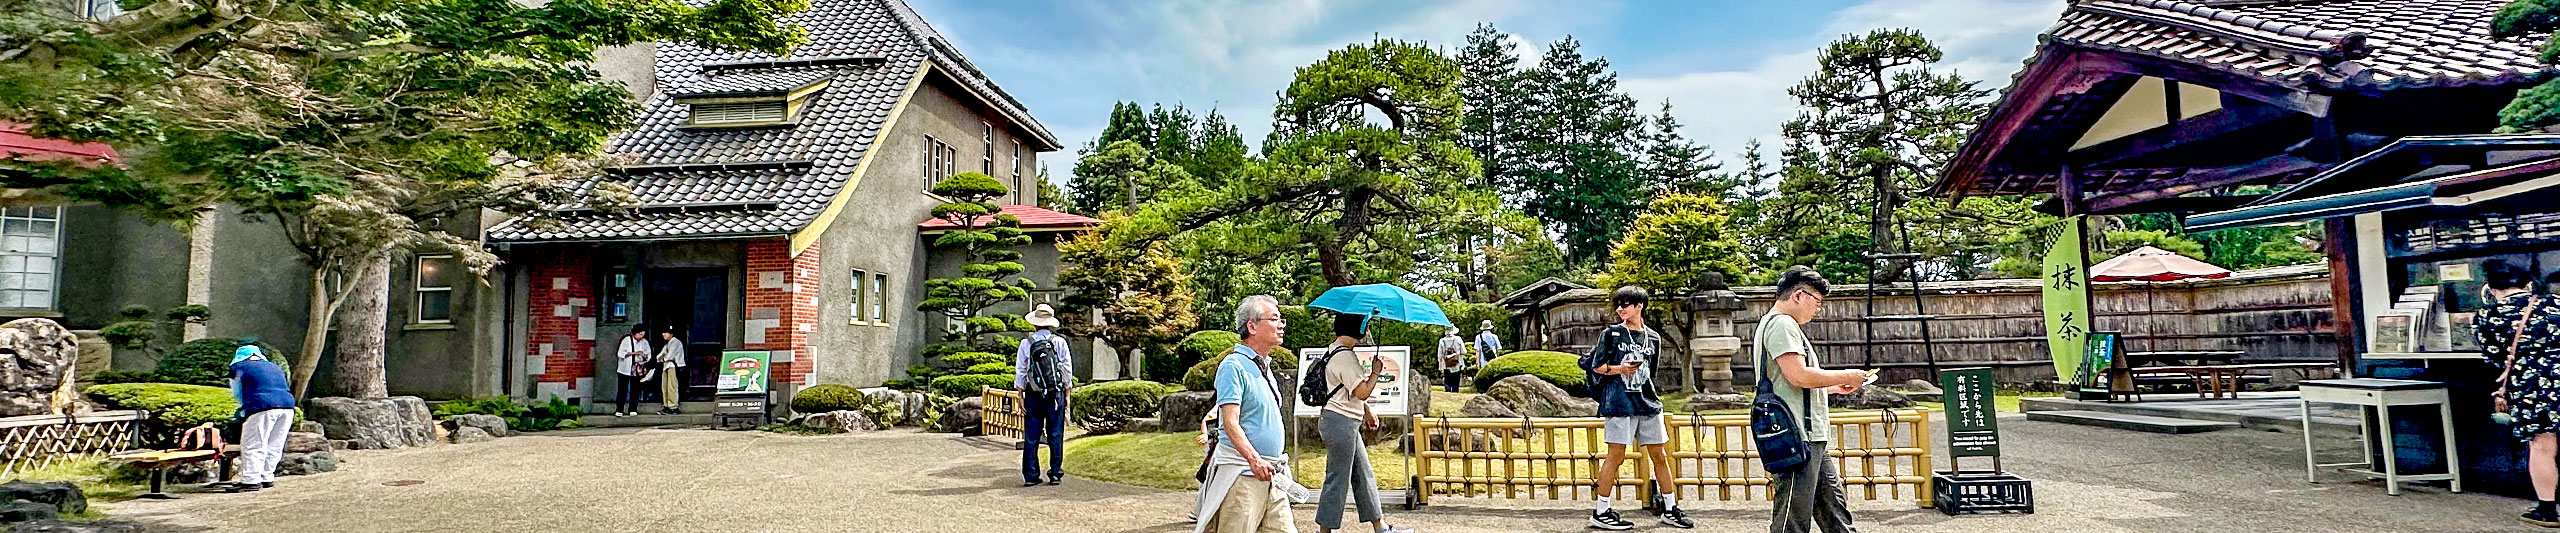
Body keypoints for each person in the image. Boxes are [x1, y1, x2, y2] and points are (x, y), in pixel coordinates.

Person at [1759, 267, 1873, 533]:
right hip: (1798, 434)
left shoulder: (1776, 323)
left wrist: (1832, 386)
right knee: (1793, 518)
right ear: (1799, 295)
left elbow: (1787, 381)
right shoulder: (1782, 324)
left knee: (1833, 509)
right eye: (1817, 302)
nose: (1818, 309)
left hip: (1808, 433)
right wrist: (1847, 374)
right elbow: (1798, 375)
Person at [1580, 286, 1692, 530]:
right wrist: (1620, 370)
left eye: (1625, 304)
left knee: (1660, 455)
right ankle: (1601, 510)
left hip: (1647, 402)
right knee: (1616, 456)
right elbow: (1597, 366)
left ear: (1639, 306)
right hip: (1619, 403)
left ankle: (1670, 507)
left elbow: (1650, 372)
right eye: (1618, 305)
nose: (1620, 309)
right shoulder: (1610, 335)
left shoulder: (1653, 337)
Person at [1195, 294, 1300, 533]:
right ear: (1251, 326)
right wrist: (1254, 459)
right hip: (1243, 475)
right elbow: (1230, 423)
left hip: (1271, 474)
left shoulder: (1263, 366)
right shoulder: (1233, 366)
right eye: (1274, 319)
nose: (1282, 324)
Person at [1314, 313, 1409, 533]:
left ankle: (1380, 525)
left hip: (1343, 421)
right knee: (1337, 478)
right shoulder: (1345, 357)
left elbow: (1348, 391)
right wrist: (1376, 372)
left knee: (1362, 473)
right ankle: (1325, 530)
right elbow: (1363, 391)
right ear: (1357, 329)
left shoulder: (1333, 351)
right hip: (1341, 423)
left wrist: (1366, 412)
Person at [2482, 259, 2560, 527]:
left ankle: (2547, 511)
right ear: (2528, 285)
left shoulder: (2489, 317)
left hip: (2533, 386)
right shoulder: (2555, 304)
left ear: (2491, 290)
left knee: (2542, 446)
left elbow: (2494, 357)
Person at [1015, 304, 1074, 487]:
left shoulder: (1027, 343)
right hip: (1055, 393)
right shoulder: (1059, 342)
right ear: (1050, 324)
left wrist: (1020, 395)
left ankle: (1031, 475)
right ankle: (1055, 473)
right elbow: (1066, 370)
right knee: (1055, 433)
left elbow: (1021, 371)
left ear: (1034, 324)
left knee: (1031, 436)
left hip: (1034, 393)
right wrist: (1067, 394)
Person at [227, 344, 295, 492]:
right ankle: (267, 476)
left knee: (253, 443)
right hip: (288, 406)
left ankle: (251, 480)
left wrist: (243, 410)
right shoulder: (275, 367)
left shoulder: (239, 366)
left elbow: (237, 393)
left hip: (262, 406)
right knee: (274, 443)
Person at [613, 324, 652, 417]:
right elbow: (620, 354)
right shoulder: (626, 340)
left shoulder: (644, 342)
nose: (641, 337)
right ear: (635, 334)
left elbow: (648, 354)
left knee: (635, 390)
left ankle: (633, 409)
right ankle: (619, 409)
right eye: (640, 334)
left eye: (643, 335)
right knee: (622, 389)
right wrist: (635, 353)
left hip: (637, 369)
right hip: (625, 369)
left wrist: (644, 356)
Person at [654, 327, 688, 415]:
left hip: (673, 366)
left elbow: (669, 356)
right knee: (664, 386)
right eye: (663, 332)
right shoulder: (668, 344)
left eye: (666, 332)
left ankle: (673, 406)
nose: (663, 334)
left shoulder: (675, 342)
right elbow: (660, 355)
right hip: (666, 366)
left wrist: (663, 358)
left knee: (671, 387)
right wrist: (660, 358)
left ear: (671, 334)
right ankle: (666, 406)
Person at [1436, 328, 1468, 393]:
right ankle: (1455, 392)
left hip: (1446, 363)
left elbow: (1440, 355)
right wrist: (1456, 353)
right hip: (1457, 362)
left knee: (1447, 379)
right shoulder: (1458, 339)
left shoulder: (1442, 341)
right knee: (1456, 380)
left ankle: (1447, 391)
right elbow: (1464, 351)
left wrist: (1440, 366)